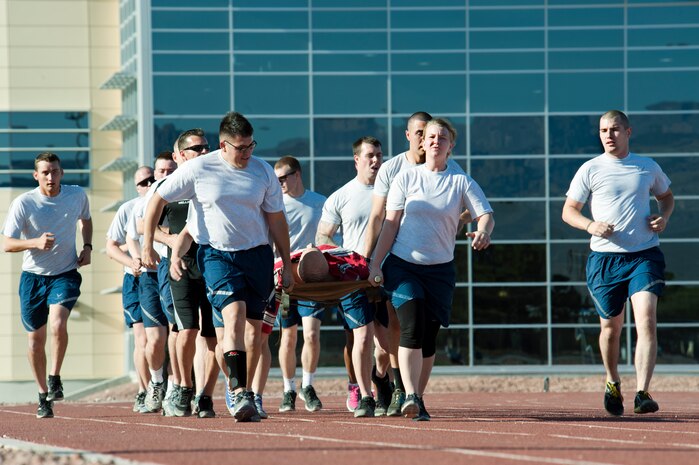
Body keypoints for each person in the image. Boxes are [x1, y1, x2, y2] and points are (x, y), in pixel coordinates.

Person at [141, 111, 293, 423]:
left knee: (254, 336)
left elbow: (277, 221)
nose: (247, 153)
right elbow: (157, 199)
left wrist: (286, 264)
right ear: (223, 146)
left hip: (257, 256)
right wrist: (147, 245)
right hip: (217, 256)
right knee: (233, 317)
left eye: (251, 146)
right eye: (240, 148)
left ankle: (247, 392)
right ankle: (237, 392)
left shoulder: (262, 172)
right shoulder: (200, 168)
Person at [368, 118, 494, 421]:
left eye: (443, 137)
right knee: (410, 327)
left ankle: (418, 397)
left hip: (440, 269)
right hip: (403, 265)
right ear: (422, 143)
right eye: (431, 136)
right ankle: (409, 394)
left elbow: (485, 214)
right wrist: (374, 262)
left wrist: (484, 231)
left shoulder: (460, 181)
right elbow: (390, 224)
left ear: (451, 145)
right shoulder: (406, 179)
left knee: (428, 337)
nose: (436, 141)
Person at [562, 110, 673, 416]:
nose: (608, 135)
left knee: (646, 320)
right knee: (611, 329)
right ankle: (612, 381)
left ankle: (642, 392)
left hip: (644, 255)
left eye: (614, 130)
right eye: (603, 130)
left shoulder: (646, 167)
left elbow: (667, 197)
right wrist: (590, 225)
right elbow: (569, 210)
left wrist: (663, 217)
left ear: (628, 132)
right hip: (605, 259)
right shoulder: (590, 169)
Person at [2, 152, 92, 419]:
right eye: (45, 173)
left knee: (57, 323)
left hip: (64, 273)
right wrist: (34, 242)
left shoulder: (76, 195)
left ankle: (55, 377)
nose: (50, 177)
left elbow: (85, 219)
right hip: (32, 278)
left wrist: (87, 246)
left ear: (62, 172)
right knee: (34, 341)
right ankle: (43, 396)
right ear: (36, 176)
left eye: (54, 171)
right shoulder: (24, 203)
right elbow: (6, 243)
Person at [362, 111, 431, 416]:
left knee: (422, 327)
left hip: (428, 260)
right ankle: (400, 387)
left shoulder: (443, 169)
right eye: (418, 133)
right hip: (393, 258)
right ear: (407, 135)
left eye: (428, 134)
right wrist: (365, 259)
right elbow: (378, 217)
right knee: (394, 320)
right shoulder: (391, 169)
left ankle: (407, 388)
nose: (423, 139)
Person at [316, 136, 388, 418]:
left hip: (386, 272)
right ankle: (364, 393)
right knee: (361, 337)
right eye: (370, 155)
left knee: (385, 344)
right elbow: (323, 235)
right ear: (357, 159)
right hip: (354, 278)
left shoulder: (393, 191)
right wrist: (345, 255)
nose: (376, 160)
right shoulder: (341, 195)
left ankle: (382, 380)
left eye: (379, 155)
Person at [156, 128, 218, 418]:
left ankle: (206, 396)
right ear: (180, 155)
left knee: (214, 336)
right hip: (180, 268)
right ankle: (183, 385)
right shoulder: (168, 187)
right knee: (186, 329)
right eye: (196, 149)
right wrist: (171, 242)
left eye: (206, 147)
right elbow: (149, 225)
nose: (204, 152)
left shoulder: (213, 182)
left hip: (214, 265)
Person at [273, 156, 329, 414]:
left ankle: (308, 385)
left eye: (284, 177)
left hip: (311, 279)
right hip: (285, 279)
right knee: (288, 336)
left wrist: (317, 252)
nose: (280, 183)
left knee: (311, 334)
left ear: (297, 174)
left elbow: (330, 239)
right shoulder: (274, 205)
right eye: (276, 179)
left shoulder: (319, 203)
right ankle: (288, 389)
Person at [125, 151, 177, 413]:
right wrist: (137, 257)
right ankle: (156, 383)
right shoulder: (145, 200)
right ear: (154, 174)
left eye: (170, 170)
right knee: (154, 339)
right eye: (161, 171)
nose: (165, 175)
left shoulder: (184, 192)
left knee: (179, 333)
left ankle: (177, 385)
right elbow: (134, 232)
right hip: (149, 276)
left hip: (176, 271)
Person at [105, 165, 154, 413]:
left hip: (161, 277)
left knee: (163, 339)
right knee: (142, 338)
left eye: (152, 180)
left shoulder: (167, 203)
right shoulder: (128, 209)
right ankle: (144, 391)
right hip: (134, 279)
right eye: (143, 182)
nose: (148, 185)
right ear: (136, 187)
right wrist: (131, 262)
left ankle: (162, 388)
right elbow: (111, 247)